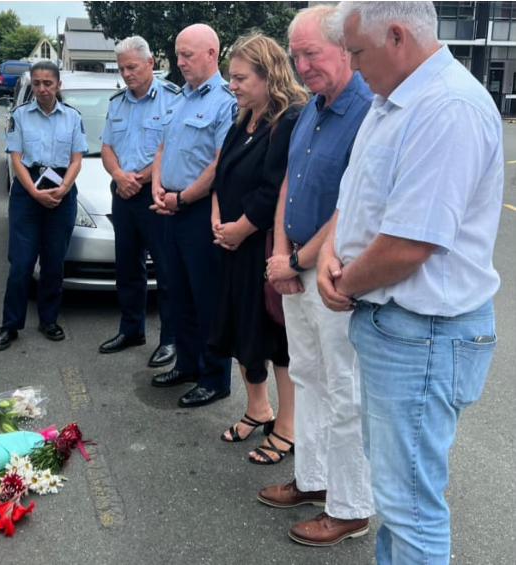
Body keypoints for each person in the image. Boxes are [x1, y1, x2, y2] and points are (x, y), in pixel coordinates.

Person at [318, 2, 503, 563]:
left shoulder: (446, 107)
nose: (351, 64)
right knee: (397, 502)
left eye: (356, 51)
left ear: (396, 35)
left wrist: (345, 281)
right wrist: (331, 251)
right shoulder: (392, 101)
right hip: (398, 330)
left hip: (421, 335)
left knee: (410, 509)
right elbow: (357, 201)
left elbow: (409, 243)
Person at [259, 4, 375, 546]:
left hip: (333, 278)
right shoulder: (312, 108)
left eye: (313, 54)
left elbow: (352, 206)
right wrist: (281, 254)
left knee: (343, 389)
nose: (302, 66)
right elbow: (290, 184)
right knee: (308, 378)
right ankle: (315, 479)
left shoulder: (367, 111)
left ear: (345, 50)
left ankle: (350, 507)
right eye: (296, 55)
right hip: (297, 269)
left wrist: (299, 262)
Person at [207, 32, 306, 466]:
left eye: (241, 77)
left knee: (273, 336)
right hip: (231, 242)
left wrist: (240, 229)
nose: (233, 85)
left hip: (260, 245)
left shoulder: (286, 121)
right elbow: (222, 172)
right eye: (231, 77)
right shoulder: (242, 117)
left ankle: (286, 427)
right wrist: (216, 215)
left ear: (269, 75)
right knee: (239, 329)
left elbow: (273, 190)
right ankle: (256, 407)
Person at [149, 23, 236, 407]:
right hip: (170, 209)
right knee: (178, 293)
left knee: (207, 298)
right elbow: (163, 146)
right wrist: (157, 185)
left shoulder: (225, 101)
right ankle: (187, 364)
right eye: (178, 54)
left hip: (200, 212)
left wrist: (182, 198)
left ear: (211, 55)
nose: (179, 61)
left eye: (187, 54)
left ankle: (215, 377)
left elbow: (220, 164)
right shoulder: (179, 98)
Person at [0, 61, 87, 350]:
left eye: (48, 83)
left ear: (58, 86)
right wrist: (34, 191)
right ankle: (10, 325)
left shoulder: (72, 117)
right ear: (31, 85)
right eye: (37, 83)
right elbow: (16, 158)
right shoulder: (20, 116)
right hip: (27, 192)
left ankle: (49, 319)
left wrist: (63, 190)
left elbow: (77, 160)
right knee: (20, 263)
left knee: (53, 262)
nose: (42, 89)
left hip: (61, 188)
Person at [98, 36, 180, 368]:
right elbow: (106, 148)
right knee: (128, 268)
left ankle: (170, 339)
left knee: (166, 269)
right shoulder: (117, 103)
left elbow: (171, 150)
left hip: (155, 193)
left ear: (150, 64)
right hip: (123, 193)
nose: (126, 74)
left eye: (132, 67)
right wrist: (119, 176)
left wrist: (139, 179)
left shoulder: (172, 100)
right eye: (122, 69)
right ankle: (131, 329)